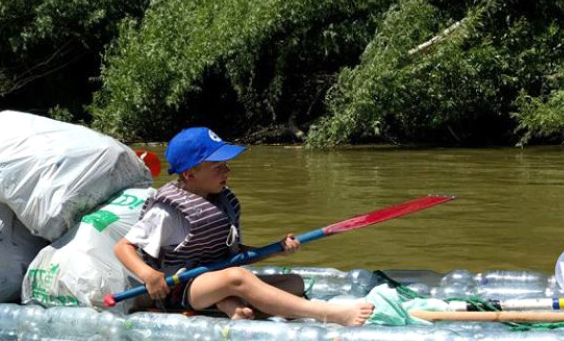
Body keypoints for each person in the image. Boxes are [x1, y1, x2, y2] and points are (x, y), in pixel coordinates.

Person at [114, 127, 374, 326]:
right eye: (218, 167)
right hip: (179, 289)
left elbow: (229, 252)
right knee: (238, 277)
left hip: (213, 282)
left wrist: (275, 250)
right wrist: (149, 277)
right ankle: (329, 314)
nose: (227, 171)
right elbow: (123, 247)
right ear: (190, 173)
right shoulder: (167, 211)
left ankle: (228, 304)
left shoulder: (217, 200)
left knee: (294, 283)